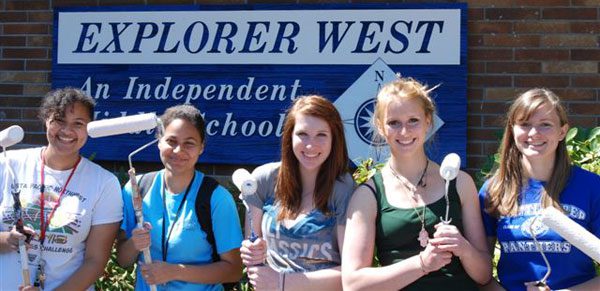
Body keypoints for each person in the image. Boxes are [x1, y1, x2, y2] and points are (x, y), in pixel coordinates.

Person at [342, 77, 491, 290]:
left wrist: (463, 248)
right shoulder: (368, 195)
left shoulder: (460, 183)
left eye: (413, 120)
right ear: (380, 127)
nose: (404, 131)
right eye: (394, 122)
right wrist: (421, 264)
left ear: (428, 121)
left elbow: (484, 275)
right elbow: (353, 284)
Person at [0, 88, 123, 290]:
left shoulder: (104, 183)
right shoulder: (6, 165)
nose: (67, 130)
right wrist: (8, 239)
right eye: (59, 120)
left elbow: (95, 261)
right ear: (45, 120)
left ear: (88, 128)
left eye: (78, 123)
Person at [479, 88, 600, 291]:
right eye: (525, 124)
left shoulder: (591, 187)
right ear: (512, 129)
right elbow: (480, 272)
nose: (534, 133)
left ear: (562, 132)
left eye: (545, 125)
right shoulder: (493, 190)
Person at [116, 104, 243, 290]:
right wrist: (135, 243)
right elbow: (122, 260)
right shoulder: (136, 189)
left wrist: (175, 271)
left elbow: (234, 270)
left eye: (189, 143)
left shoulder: (217, 198)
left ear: (201, 148)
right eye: (171, 141)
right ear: (159, 141)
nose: (178, 151)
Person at [240, 95, 355, 290]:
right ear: (289, 136)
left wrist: (283, 282)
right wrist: (252, 253)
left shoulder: (343, 188)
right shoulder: (263, 180)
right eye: (303, 134)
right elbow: (254, 261)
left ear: (335, 139)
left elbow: (352, 273)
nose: (310, 145)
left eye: (321, 135)